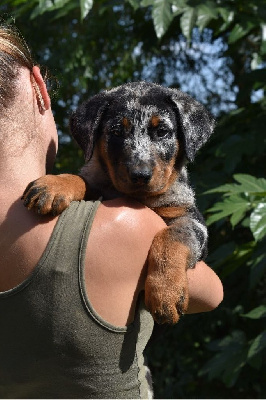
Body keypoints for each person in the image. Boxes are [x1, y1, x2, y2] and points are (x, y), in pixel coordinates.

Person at [0, 23, 223, 399]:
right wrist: (73, 182)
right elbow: (212, 293)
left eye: (160, 133)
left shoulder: (171, 197)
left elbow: (191, 227)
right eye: (118, 134)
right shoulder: (117, 214)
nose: (139, 162)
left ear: (189, 138)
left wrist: (169, 257)